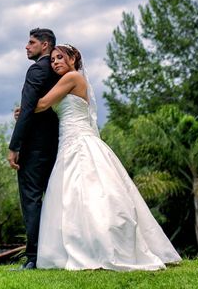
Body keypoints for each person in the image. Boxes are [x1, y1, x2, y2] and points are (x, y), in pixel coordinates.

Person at [30, 44, 182, 270]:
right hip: (68, 141)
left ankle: (101, 246)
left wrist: (23, 109)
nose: (55, 62)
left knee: (88, 194)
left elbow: (42, 104)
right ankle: (84, 245)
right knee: (76, 194)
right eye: (52, 60)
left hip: (79, 142)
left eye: (60, 57)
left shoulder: (72, 77)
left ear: (73, 58)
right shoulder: (68, 80)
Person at [8, 28, 61, 270]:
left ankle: (33, 258)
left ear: (45, 45)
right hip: (57, 143)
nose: (26, 47)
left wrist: (14, 146)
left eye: (31, 43)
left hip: (35, 147)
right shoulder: (59, 72)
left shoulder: (37, 69)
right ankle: (53, 251)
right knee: (54, 199)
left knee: (31, 200)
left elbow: (29, 107)